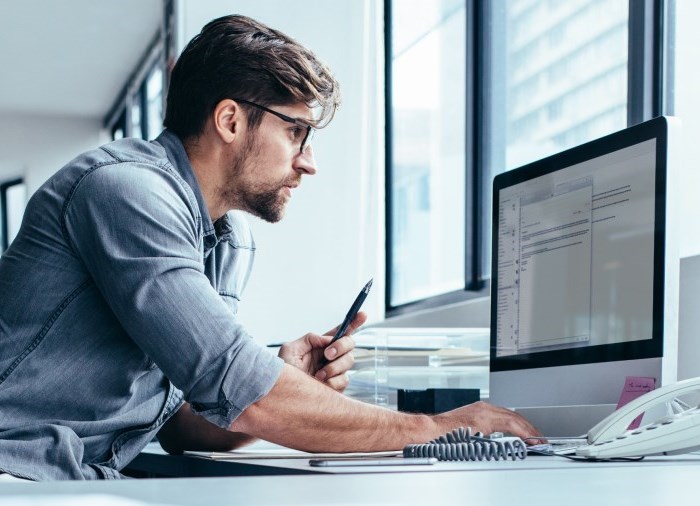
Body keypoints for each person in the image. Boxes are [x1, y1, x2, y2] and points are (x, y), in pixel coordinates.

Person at [0, 14, 540, 481]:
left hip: (78, 476)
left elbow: (187, 425)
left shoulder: (229, 240)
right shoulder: (126, 192)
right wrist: (439, 428)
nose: (308, 162)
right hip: (17, 471)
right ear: (230, 119)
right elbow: (246, 392)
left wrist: (289, 383)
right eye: (296, 132)